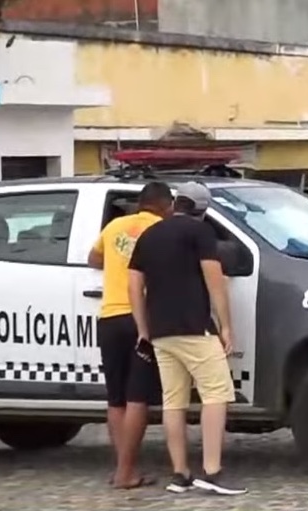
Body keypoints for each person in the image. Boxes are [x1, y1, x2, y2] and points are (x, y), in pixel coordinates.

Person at [127, 182, 247, 496]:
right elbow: (215, 281)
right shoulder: (200, 233)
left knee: (173, 402)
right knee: (216, 395)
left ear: (176, 203)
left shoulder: (149, 235)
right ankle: (212, 470)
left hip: (160, 332)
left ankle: (180, 474)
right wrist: (226, 326)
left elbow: (134, 287)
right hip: (194, 328)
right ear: (200, 208)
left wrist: (143, 330)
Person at [87, 182, 174, 490]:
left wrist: (116, 264)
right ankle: (126, 473)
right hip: (141, 320)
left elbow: (92, 259)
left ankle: (122, 468)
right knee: (138, 396)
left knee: (116, 398)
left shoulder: (114, 226)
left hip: (110, 317)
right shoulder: (163, 230)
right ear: (166, 206)